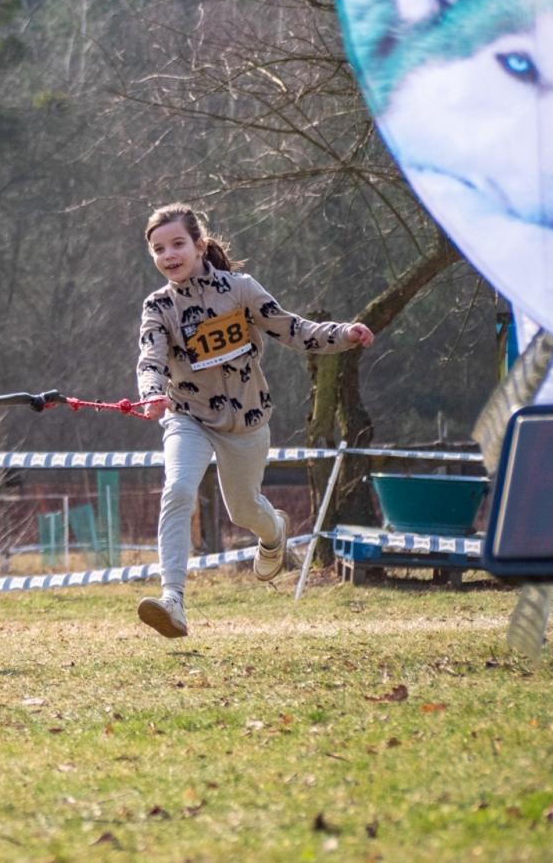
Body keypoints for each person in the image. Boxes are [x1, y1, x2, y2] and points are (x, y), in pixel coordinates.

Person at [133, 204, 374, 638]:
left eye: (176, 244)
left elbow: (294, 329)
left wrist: (343, 334)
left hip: (246, 420)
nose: (168, 255)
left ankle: (274, 529)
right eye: (158, 249)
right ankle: (174, 600)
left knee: (244, 510)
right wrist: (151, 393)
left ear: (199, 245)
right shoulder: (158, 307)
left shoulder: (239, 289)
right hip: (187, 416)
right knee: (178, 488)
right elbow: (149, 358)